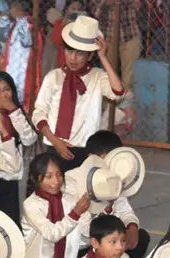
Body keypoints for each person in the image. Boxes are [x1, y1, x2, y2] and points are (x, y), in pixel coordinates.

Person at [33, 16, 125, 172]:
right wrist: (55, 141)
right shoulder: (53, 77)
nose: (73, 58)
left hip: (85, 149)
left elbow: (118, 92)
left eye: (80, 53)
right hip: (54, 146)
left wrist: (103, 58)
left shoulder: (97, 77)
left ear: (90, 55)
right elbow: (39, 113)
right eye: (69, 51)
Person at [67, 131, 150, 258]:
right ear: (91, 158)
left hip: (106, 241)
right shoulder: (71, 182)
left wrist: (132, 226)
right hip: (80, 247)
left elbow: (125, 210)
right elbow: (86, 231)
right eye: (107, 162)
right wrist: (108, 207)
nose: (111, 168)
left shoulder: (112, 177)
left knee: (141, 237)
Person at [0, 72, 38, 226]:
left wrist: (13, 110)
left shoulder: (15, 114)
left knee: (10, 228)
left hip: (11, 183)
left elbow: (30, 138)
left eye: (6, 90)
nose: (2, 95)